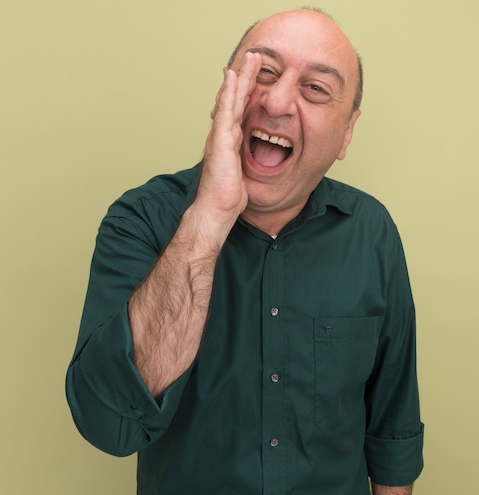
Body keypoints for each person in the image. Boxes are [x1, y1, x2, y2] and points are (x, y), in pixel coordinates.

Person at [66, 8, 424, 495]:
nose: (277, 101)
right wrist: (209, 216)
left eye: (316, 88)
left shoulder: (373, 233)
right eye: (265, 73)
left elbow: (391, 433)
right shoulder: (141, 220)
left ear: (347, 132)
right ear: (224, 94)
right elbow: (109, 425)